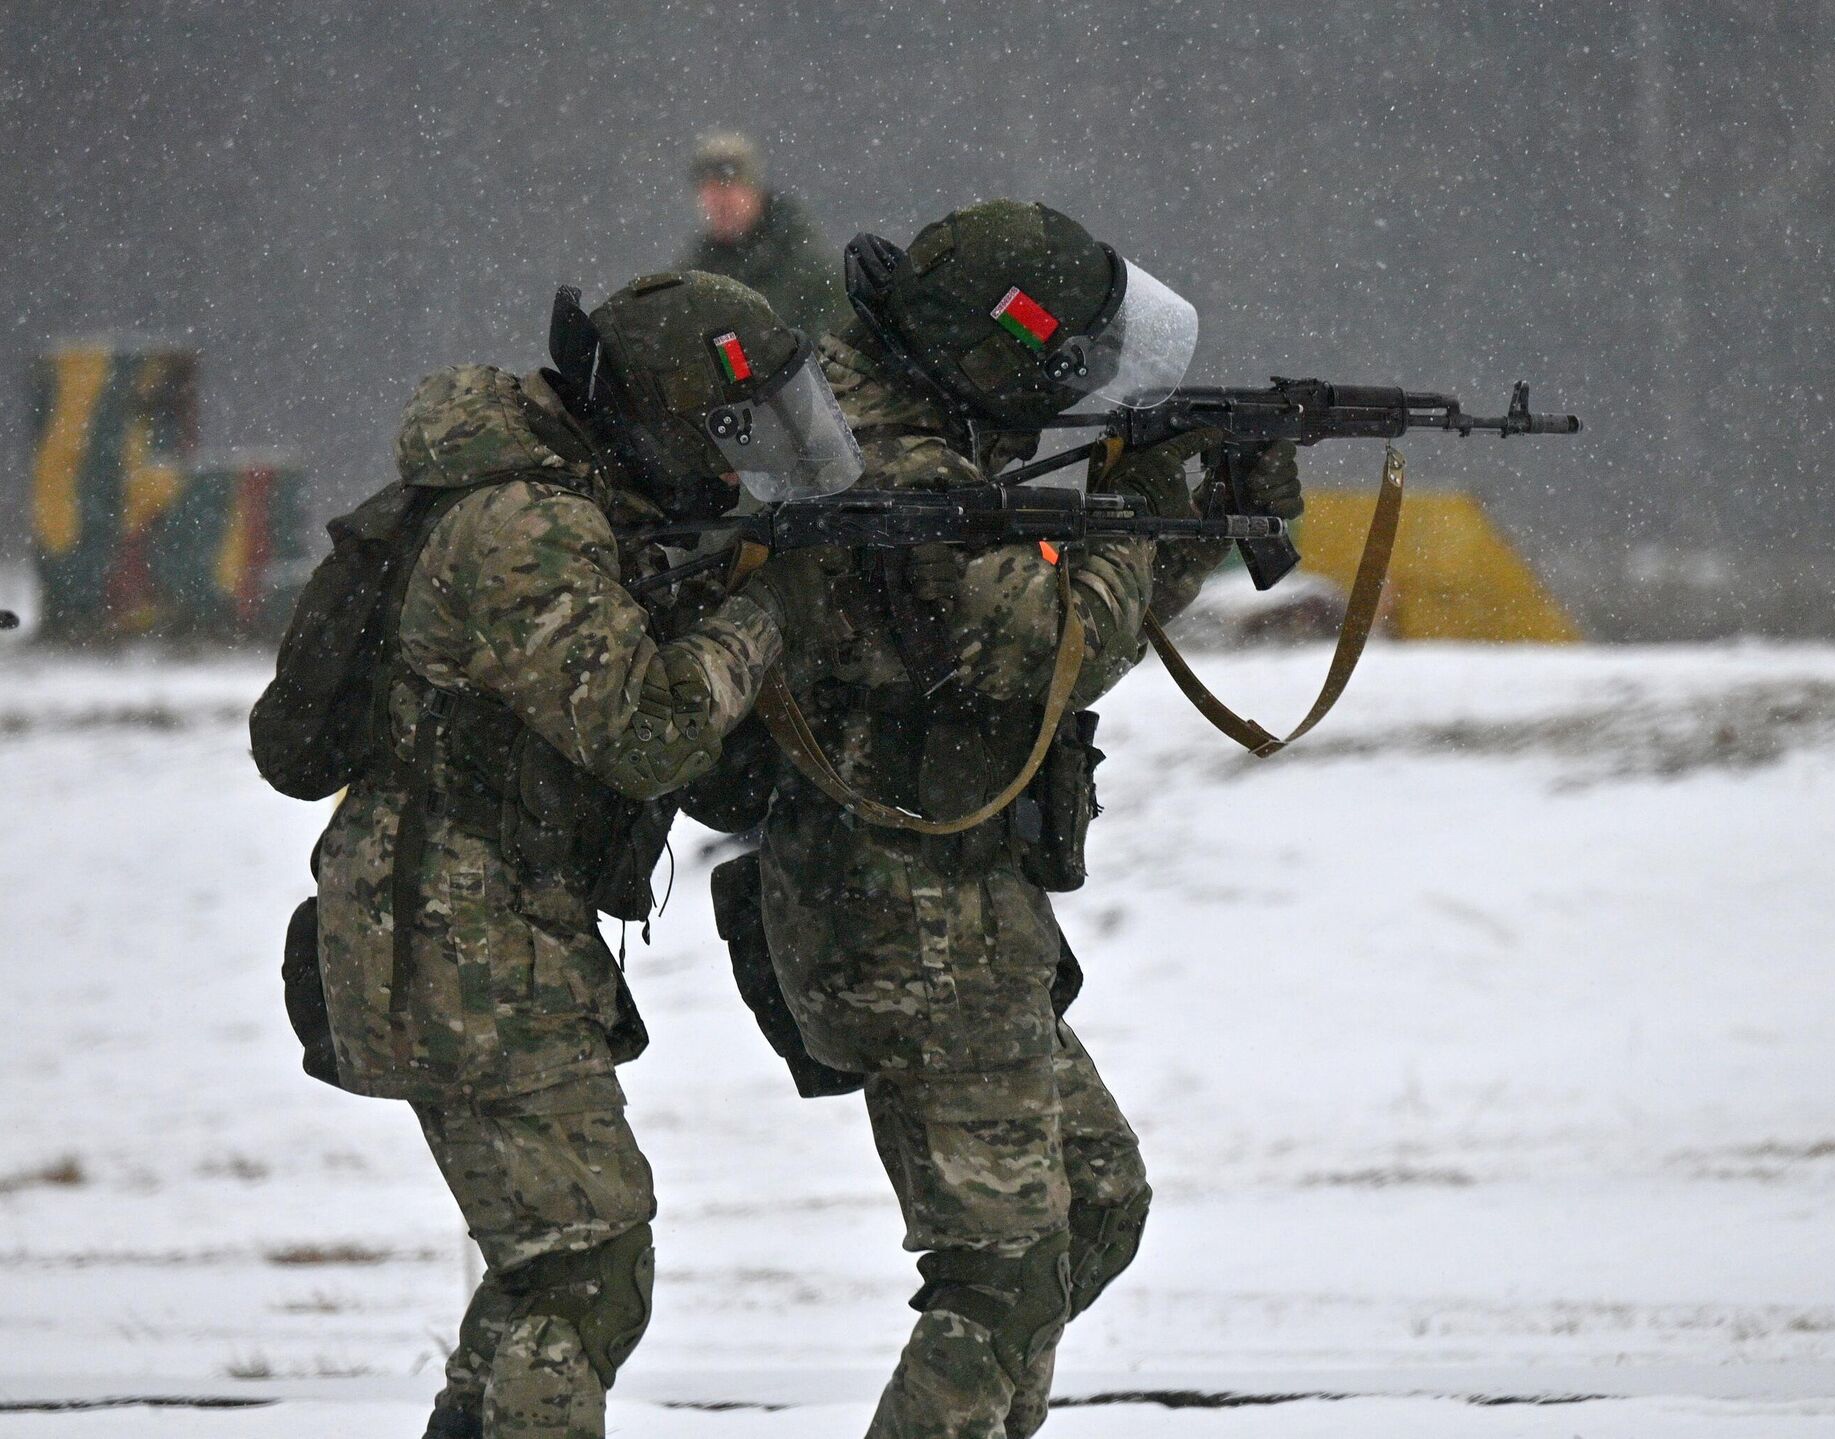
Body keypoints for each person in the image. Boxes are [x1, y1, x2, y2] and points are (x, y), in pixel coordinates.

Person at [732, 200, 1303, 1438]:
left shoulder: (885, 421)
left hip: (950, 904)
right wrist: (1156, 496)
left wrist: (1177, 518)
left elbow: (1062, 609)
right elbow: (1043, 641)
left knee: (1092, 1207)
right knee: (998, 1274)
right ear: (993, 352)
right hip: (908, 915)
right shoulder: (894, 468)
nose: (1076, 382)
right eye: (1060, 361)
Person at [295, 272, 856, 1439]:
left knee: (545, 1267)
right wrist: (768, 613)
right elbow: (648, 734)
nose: (729, 465)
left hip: (469, 919)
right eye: (719, 435)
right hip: (455, 928)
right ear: (657, 413)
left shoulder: (561, 501)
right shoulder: (526, 524)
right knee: (590, 1266)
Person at [675, 131, 850, 341]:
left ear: (754, 191)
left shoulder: (807, 267)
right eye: (711, 192)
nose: (720, 203)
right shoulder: (691, 276)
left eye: (729, 188)